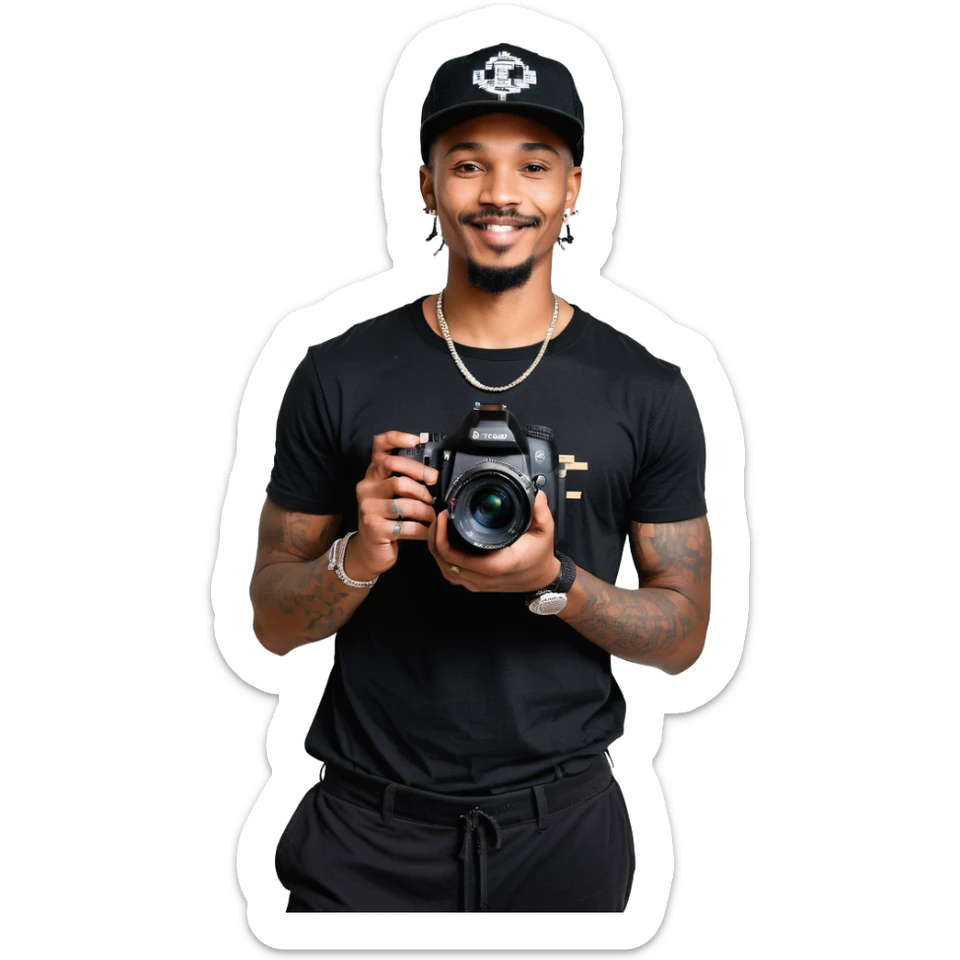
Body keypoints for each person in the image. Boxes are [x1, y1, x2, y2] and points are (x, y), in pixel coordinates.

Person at [250, 42, 711, 913]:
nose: (502, 194)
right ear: (427, 184)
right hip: (365, 831)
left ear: (573, 187)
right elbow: (272, 623)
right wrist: (360, 554)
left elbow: (685, 637)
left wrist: (557, 582)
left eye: (535, 165)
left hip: (564, 829)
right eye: (468, 165)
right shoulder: (337, 374)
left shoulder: (646, 389)